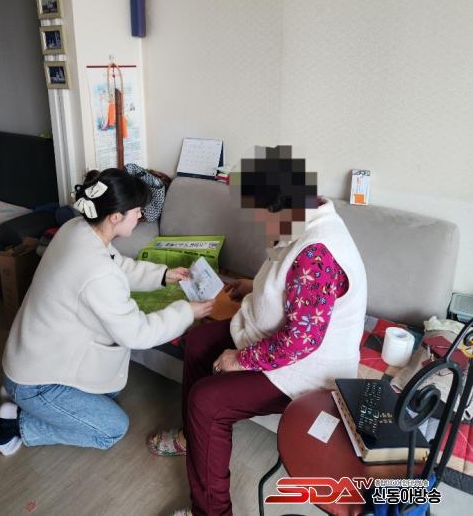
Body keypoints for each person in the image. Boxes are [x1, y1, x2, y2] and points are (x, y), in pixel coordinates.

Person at [149, 146, 367, 516]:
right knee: (199, 341)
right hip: (273, 335)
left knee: (208, 402)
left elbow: (301, 341)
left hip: (306, 368)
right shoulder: (307, 218)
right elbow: (293, 282)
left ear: (279, 206)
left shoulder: (318, 252)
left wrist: (241, 359)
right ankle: (192, 438)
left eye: (259, 213)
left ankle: (211, 512)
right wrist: (254, 287)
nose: (258, 222)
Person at [0, 168, 213, 456]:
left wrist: (163, 275)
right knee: (111, 429)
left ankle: (22, 397)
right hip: (35, 379)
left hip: (30, 355)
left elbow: (117, 265)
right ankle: (18, 423)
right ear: (115, 217)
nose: (141, 216)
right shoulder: (98, 273)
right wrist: (187, 312)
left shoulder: (77, 229)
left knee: (110, 390)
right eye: (137, 211)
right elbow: (138, 333)